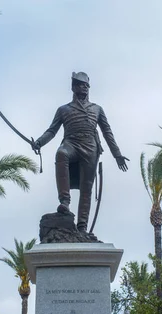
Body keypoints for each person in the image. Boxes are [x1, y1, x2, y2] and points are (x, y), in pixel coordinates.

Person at [32, 72, 129, 233]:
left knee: (87, 186)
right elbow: (52, 131)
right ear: (73, 87)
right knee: (61, 154)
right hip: (71, 142)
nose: (84, 87)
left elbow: (107, 132)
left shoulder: (97, 109)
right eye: (80, 84)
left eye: (86, 85)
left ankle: (82, 226)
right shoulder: (63, 109)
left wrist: (117, 154)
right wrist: (39, 142)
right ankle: (65, 202)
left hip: (90, 146)